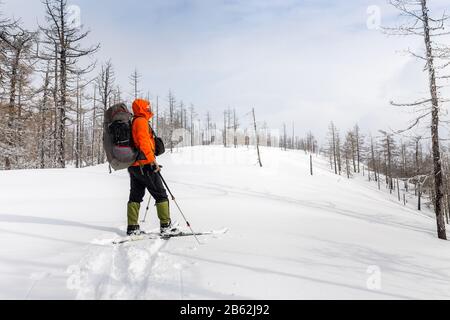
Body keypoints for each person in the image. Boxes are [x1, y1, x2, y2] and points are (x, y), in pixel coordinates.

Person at [127, 98, 179, 236]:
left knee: (135, 195)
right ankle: (165, 226)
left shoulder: (135, 121)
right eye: (147, 107)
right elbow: (143, 142)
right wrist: (152, 161)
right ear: (143, 108)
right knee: (161, 194)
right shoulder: (141, 121)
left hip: (134, 166)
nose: (150, 109)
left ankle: (132, 227)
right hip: (145, 165)